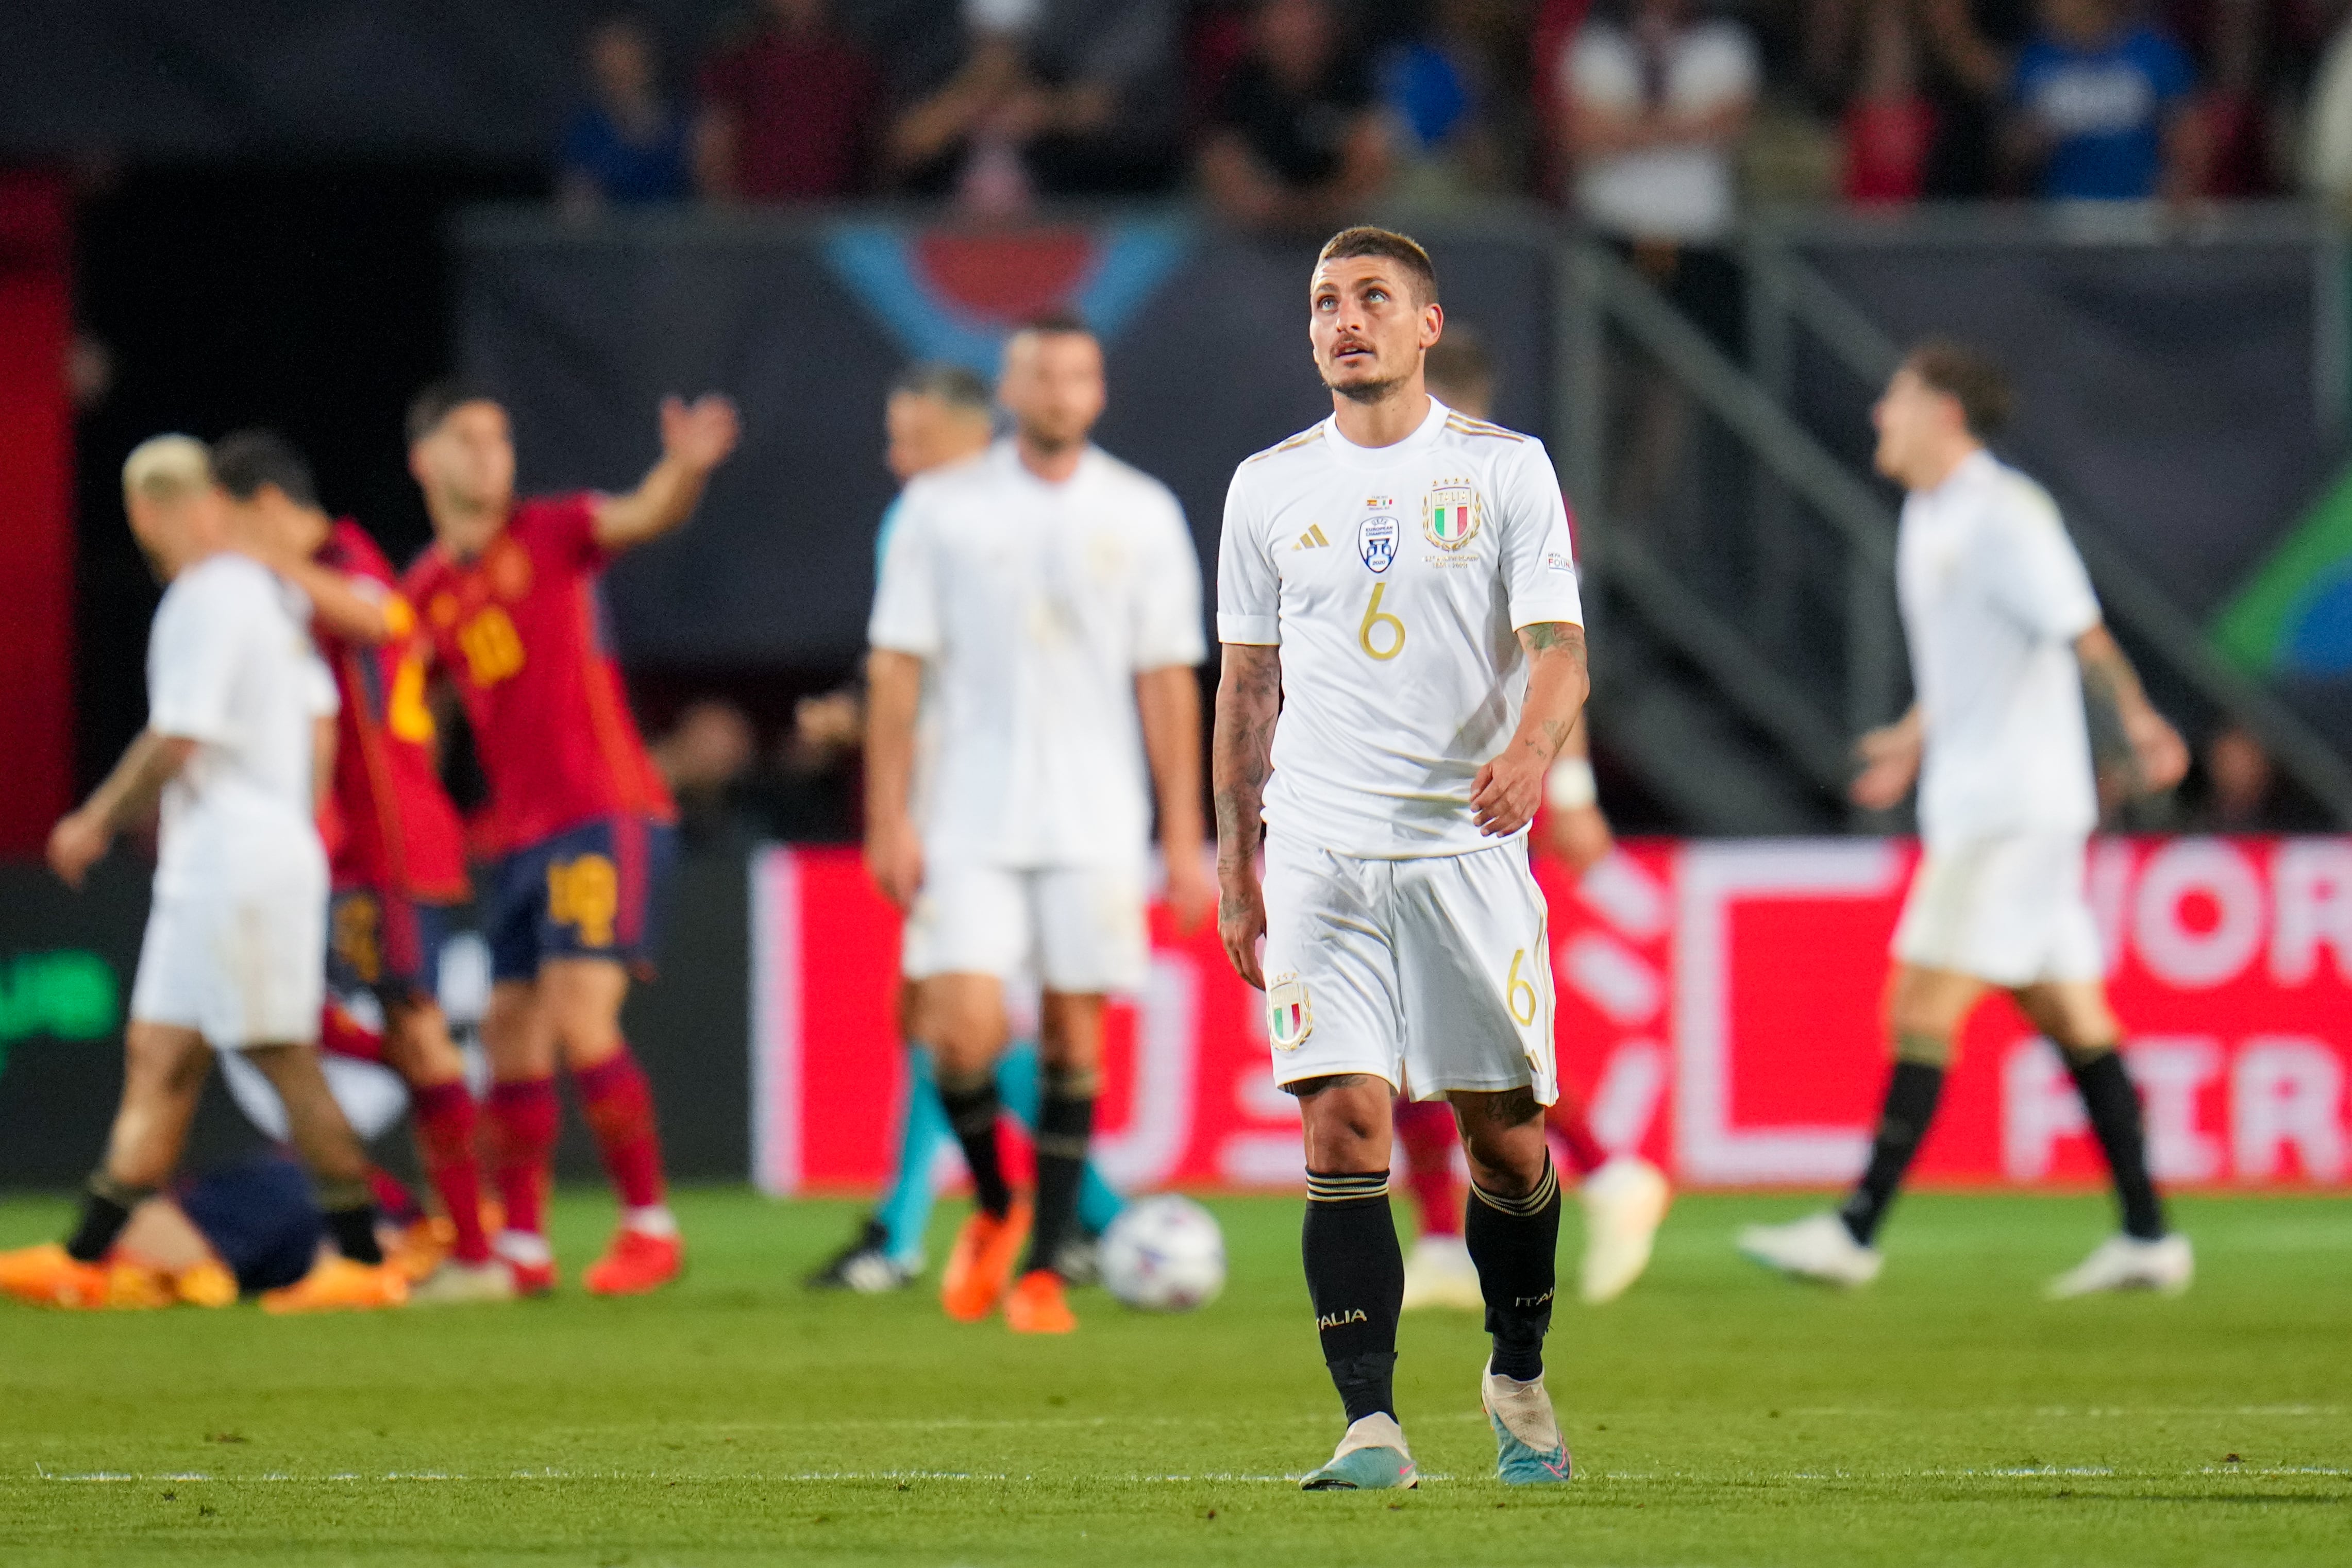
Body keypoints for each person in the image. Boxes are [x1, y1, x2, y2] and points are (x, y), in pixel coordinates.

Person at [1214, 228, 1589, 1490]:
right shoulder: (1265, 485)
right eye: (1325, 300)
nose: (1345, 319)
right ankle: (1369, 1422)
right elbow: (1248, 678)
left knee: (1507, 1147)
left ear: (1428, 324)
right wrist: (1235, 854)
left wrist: (1534, 750)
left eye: (1374, 298)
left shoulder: (1504, 471)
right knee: (1342, 1118)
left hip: (1463, 853)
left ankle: (1517, 1367)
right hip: (1320, 850)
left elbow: (1559, 649)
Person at [1738, 341, 2195, 1299]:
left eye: (1895, 399)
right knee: (2071, 1013)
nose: (1878, 416)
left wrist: (2141, 720)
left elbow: (2080, 630)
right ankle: (2148, 1235)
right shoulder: (1928, 512)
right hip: (1994, 802)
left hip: (2011, 808)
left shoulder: (2004, 515)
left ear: (1944, 412)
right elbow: (1969, 663)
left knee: (1916, 1007)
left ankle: (1853, 1232)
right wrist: (1912, 735)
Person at [0, 436, 407, 1314]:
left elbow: (179, 736)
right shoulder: (268, 594)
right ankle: (85, 1253)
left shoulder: (206, 595)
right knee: (160, 1053)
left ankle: (365, 1259)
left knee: (280, 1054)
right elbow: (322, 721)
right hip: (226, 851)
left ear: (147, 510)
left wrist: (93, 819)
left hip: (239, 856)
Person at [866, 318, 1212, 1335]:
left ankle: (1044, 1270)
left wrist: (1182, 838)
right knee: (958, 1030)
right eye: (1040, 374)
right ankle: (994, 1201)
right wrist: (888, 814)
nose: (1059, 391)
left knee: (1072, 1034)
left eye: (1076, 374)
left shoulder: (1140, 511)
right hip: (966, 810)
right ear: (1009, 389)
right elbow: (896, 667)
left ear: (1096, 391)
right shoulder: (940, 508)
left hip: (1097, 816)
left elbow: (1165, 681)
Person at [400, 384, 740, 1296]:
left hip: (604, 810)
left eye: (500, 437)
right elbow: (411, 719)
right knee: (510, 1033)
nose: (489, 454)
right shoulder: (425, 592)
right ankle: (522, 1246)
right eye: (467, 438)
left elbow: (644, 510)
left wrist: (682, 468)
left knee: (579, 1008)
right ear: (423, 461)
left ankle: (648, 1224)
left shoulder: (551, 533)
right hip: (516, 836)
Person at [809, 362, 1125, 1294]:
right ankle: (1087, 1214)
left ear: (962, 435)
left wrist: (892, 796)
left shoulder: (950, 519)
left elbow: (943, 676)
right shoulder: (952, 519)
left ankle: (923, 1231)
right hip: (975, 805)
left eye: (909, 435)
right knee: (942, 1019)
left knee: (954, 1019)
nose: (894, 454)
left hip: (990, 814)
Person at [1391, 329, 1670, 1316]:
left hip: (1478, 801)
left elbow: (1557, 652)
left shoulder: (1506, 492)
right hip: (1396, 794)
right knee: (1398, 1024)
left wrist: (1573, 787)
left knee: (1470, 1023)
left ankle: (1599, 1167)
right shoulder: (1374, 491)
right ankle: (1436, 1236)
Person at [211, 430, 511, 1304]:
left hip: (395, 846)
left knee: (408, 1035)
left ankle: (473, 1250)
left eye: (233, 521)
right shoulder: (307, 577)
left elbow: (382, 615)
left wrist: (277, 567)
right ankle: (427, 1224)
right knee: (302, 1028)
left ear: (265, 508)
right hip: (352, 852)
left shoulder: (345, 556)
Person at [1557, 0, 1758, 347]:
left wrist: (1624, 128)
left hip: (1701, 238)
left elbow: (1731, 126)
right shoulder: (1597, 44)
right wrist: (1690, 125)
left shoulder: (1724, 43)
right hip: (1612, 231)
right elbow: (1581, 134)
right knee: (1610, 358)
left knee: (1699, 357)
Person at [1199, 0, 1393, 231]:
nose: (1295, 27)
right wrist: (1282, 213)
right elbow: (1227, 175)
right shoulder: (1236, 89)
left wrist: (1316, 210)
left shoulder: (1357, 82)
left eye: (1305, 11)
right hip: (1259, 241)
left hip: (1347, 234)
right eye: (1282, 13)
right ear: (1257, 24)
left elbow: (1371, 173)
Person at [2008, 0, 2203, 201]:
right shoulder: (2034, 61)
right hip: (2059, 213)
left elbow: (2189, 137)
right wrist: (2028, 141)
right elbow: (2010, 156)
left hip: (2139, 211)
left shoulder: (2155, 55)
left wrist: (2179, 182)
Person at [695, 0, 883, 201]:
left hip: (836, 217)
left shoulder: (854, 64)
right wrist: (727, 215)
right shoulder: (742, 60)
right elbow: (717, 145)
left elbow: (875, 152)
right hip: (758, 216)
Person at [558, 14, 695, 212]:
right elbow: (577, 208)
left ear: (646, 63)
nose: (618, 70)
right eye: (608, 63)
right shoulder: (585, 134)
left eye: (625, 59)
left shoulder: (686, 125)